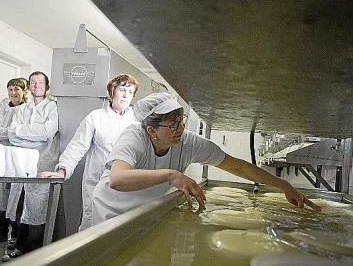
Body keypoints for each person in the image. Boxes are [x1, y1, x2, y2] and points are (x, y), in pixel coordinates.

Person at [91, 92, 321, 225]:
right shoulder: (135, 136)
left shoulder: (188, 142)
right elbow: (118, 179)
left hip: (143, 214)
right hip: (110, 216)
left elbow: (238, 166)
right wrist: (172, 175)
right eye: (172, 125)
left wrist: (284, 186)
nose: (180, 128)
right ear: (151, 131)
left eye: (182, 121)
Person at [41, 74, 139, 231]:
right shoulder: (96, 117)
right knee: (91, 226)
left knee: (121, 229)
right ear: (112, 91)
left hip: (125, 186)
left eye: (130, 91)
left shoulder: (137, 121)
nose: (126, 95)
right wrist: (63, 170)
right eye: (122, 90)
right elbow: (77, 145)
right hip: (97, 183)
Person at [7, 71, 59, 258]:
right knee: (21, 206)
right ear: (29, 86)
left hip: (43, 164)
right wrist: (31, 135)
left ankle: (35, 253)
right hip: (22, 164)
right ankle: (19, 247)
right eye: (33, 83)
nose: (36, 86)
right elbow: (12, 135)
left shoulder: (52, 107)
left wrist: (22, 131)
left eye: (40, 83)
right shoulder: (22, 109)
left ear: (47, 87)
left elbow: (47, 132)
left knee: (37, 208)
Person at [0, 78, 28, 247]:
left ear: (24, 91)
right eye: (10, 89)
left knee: (15, 197)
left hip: (17, 159)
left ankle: (16, 235)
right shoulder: (2, 106)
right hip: (0, 157)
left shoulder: (27, 109)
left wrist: (5, 133)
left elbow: (21, 135)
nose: (13, 93)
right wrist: (9, 133)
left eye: (17, 89)